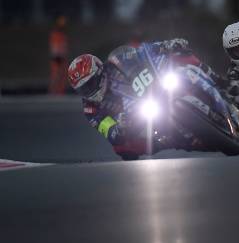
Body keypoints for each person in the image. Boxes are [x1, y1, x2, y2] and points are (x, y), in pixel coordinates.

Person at [67, 38, 208, 157]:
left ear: (99, 71)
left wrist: (165, 45)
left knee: (178, 54)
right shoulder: (90, 109)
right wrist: (119, 128)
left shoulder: (116, 62)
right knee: (121, 148)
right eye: (83, 89)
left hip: (152, 86)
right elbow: (108, 131)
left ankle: (216, 80)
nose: (88, 90)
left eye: (90, 83)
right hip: (134, 117)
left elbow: (142, 52)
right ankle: (169, 142)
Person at [49, 15, 69, 94]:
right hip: (57, 58)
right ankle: (54, 92)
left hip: (62, 57)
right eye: (61, 20)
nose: (63, 22)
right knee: (56, 76)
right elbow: (54, 46)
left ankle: (60, 92)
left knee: (62, 76)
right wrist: (56, 56)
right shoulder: (55, 34)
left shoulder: (62, 33)